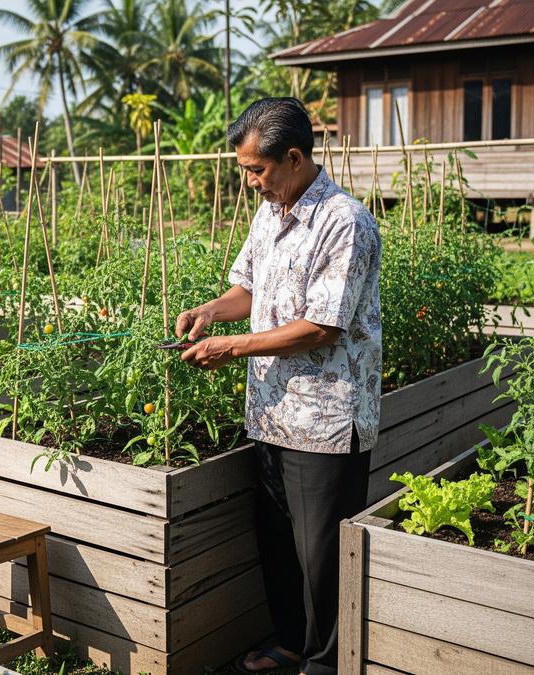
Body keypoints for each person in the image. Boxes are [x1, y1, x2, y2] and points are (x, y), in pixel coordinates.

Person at [174, 97, 381, 675]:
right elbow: (248, 289)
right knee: (277, 543)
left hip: (325, 418)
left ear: (293, 158)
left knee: (321, 559)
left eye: (257, 171)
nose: (252, 184)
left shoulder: (344, 221)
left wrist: (231, 346)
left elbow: (322, 326)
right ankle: (290, 642)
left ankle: (324, 662)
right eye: (245, 172)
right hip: (269, 411)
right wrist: (212, 313)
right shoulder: (271, 211)